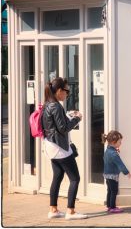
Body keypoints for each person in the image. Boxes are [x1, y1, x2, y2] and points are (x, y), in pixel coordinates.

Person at [42, 77, 87, 220]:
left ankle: (53, 210)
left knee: (58, 177)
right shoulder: (55, 106)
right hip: (60, 147)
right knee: (75, 178)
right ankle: (71, 212)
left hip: (51, 145)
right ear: (59, 91)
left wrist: (67, 115)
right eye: (66, 90)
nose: (67, 93)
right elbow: (63, 128)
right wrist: (77, 118)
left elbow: (54, 125)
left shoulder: (48, 104)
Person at [102, 130, 131, 213]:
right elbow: (120, 164)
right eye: (119, 142)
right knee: (114, 191)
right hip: (112, 175)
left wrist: (116, 151)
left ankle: (109, 206)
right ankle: (113, 207)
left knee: (109, 190)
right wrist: (127, 173)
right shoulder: (113, 154)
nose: (121, 143)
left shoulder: (108, 150)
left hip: (107, 174)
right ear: (113, 142)